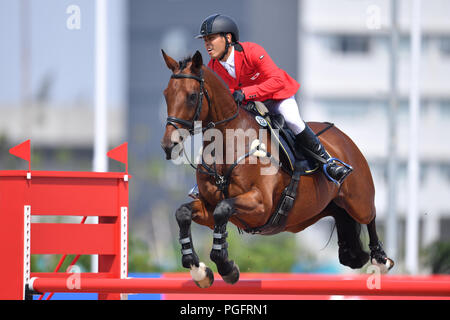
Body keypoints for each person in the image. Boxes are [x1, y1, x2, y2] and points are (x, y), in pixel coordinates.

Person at [189, 14, 352, 198]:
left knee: (293, 121)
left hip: (277, 97)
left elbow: (276, 80)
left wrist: (246, 93)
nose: (207, 45)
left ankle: (328, 163)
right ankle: (205, 180)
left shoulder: (251, 51)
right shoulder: (213, 66)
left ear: (228, 38)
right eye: (205, 40)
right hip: (249, 106)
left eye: (211, 38)